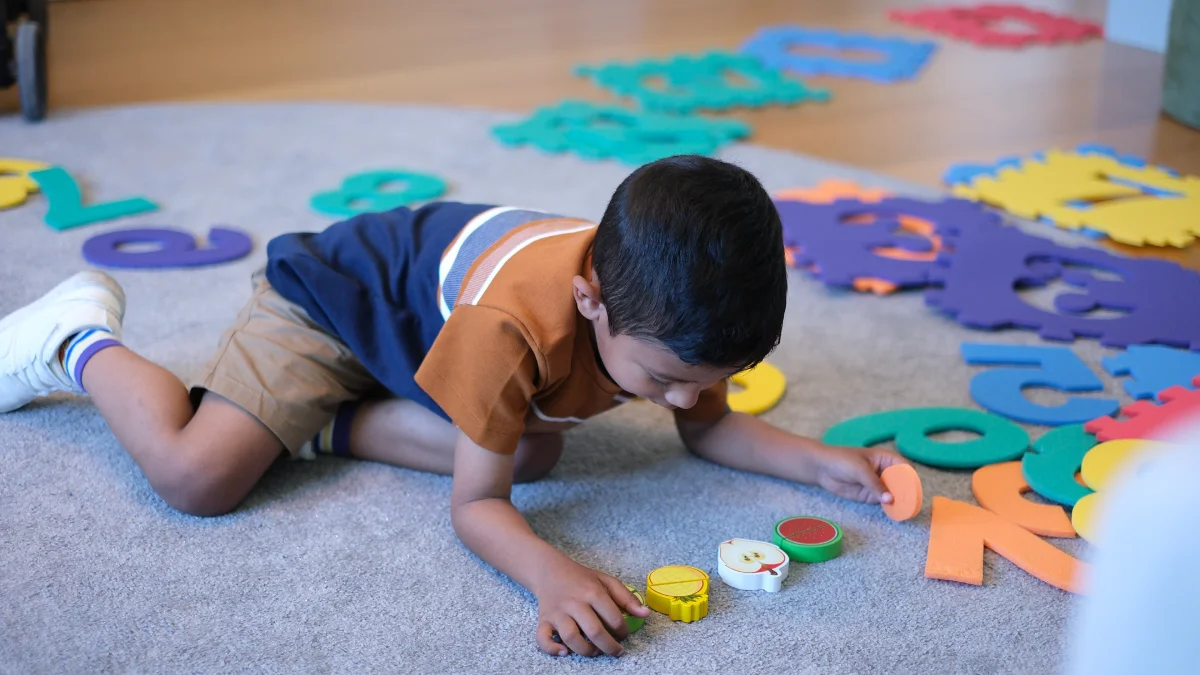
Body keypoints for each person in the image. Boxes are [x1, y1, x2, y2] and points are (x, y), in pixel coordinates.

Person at [0, 155, 905, 658]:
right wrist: (551, 573)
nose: (686, 399)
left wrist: (820, 460)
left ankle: (309, 423)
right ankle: (76, 340)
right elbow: (475, 506)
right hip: (337, 307)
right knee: (198, 477)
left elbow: (709, 428)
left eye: (711, 375)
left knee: (536, 450)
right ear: (591, 298)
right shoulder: (513, 324)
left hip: (432, 335)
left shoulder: (679, 314)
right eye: (666, 378)